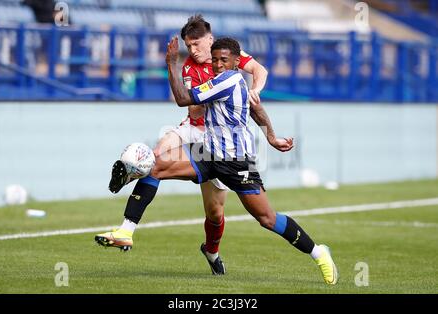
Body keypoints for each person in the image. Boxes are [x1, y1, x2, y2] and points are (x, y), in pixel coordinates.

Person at [105, 36, 339, 285]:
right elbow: (255, 107)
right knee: (155, 167)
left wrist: (172, 63)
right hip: (208, 153)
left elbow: (183, 99)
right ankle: (126, 230)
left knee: (267, 218)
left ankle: (318, 252)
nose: (218, 64)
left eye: (223, 60)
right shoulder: (224, 80)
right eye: (215, 60)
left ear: (237, 62)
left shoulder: (227, 80)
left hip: (236, 163)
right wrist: (271, 135)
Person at [95, 15, 268, 275]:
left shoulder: (228, 57)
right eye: (189, 45)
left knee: (214, 212)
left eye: (197, 44)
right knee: (153, 158)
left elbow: (260, 71)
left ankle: (212, 252)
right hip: (192, 129)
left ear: (210, 40)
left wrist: (254, 91)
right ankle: (126, 228)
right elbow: (193, 107)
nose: (193, 50)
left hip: (218, 139)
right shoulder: (187, 67)